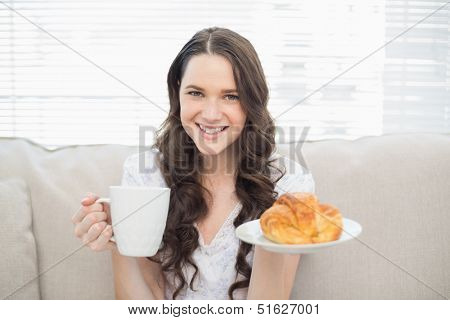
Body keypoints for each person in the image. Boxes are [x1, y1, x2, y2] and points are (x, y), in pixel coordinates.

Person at [72, 26, 315, 300]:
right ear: (177, 92)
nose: (210, 114)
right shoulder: (146, 174)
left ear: (251, 102)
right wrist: (118, 241)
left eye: (230, 96)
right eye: (196, 93)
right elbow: (143, 306)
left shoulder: (290, 184)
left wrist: (275, 236)